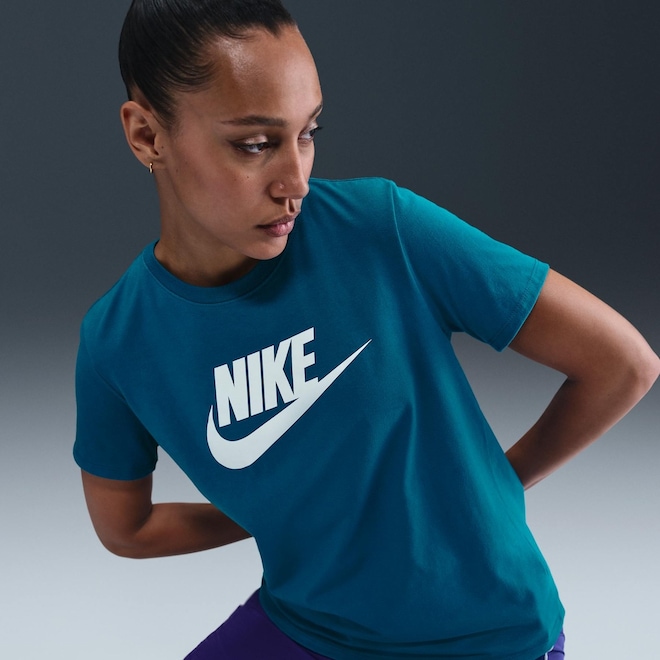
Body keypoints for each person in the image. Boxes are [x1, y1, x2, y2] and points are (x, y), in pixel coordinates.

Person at [73, 1, 659, 658]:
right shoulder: (116, 341)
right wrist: (297, 513)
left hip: (486, 639)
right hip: (308, 626)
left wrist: (497, 483)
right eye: (255, 144)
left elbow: (622, 363)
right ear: (147, 135)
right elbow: (128, 529)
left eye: (308, 133)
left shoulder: (380, 231)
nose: (295, 181)